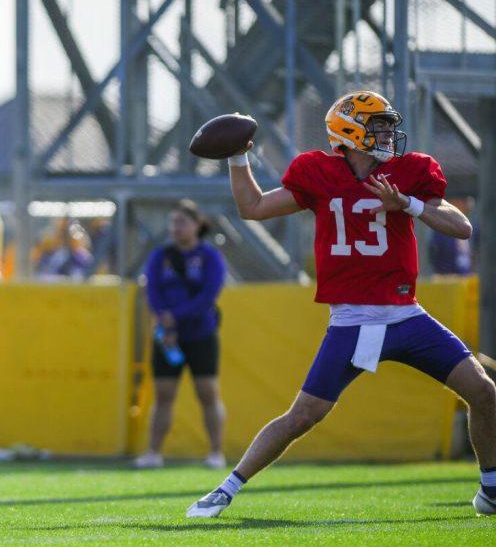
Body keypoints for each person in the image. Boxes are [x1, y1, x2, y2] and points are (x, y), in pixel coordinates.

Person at [186, 90, 496, 519]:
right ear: (349, 131)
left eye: (389, 125)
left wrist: (405, 203)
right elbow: (253, 208)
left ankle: (491, 489)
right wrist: (238, 159)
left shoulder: (410, 172)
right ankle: (225, 489)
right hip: (352, 320)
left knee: (483, 391)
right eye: (379, 126)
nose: (389, 134)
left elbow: (460, 228)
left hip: (407, 316)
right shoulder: (318, 172)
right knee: (304, 415)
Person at [136, 200, 227, 469]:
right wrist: (164, 320)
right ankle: (153, 452)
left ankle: (216, 452)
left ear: (197, 225)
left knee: (207, 392)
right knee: (163, 394)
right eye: (172, 222)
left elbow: (208, 296)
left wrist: (176, 316)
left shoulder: (210, 257)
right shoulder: (160, 256)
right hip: (167, 336)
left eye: (182, 222)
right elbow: (152, 291)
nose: (176, 228)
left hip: (200, 334)